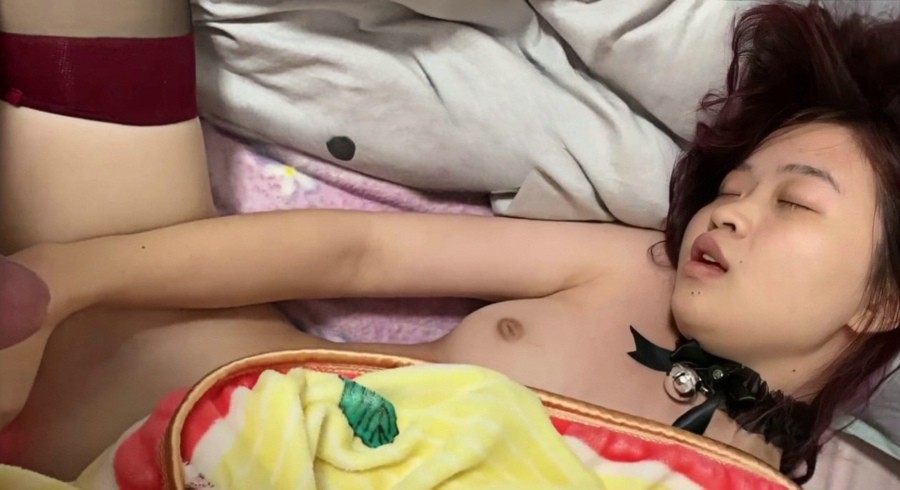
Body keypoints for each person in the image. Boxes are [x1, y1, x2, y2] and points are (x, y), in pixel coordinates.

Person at [1, 0, 898, 484]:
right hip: (162, 380)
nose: (730, 212)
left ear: (883, 300)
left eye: (795, 203)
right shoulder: (633, 268)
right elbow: (360, 254)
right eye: (733, 187)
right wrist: (62, 279)